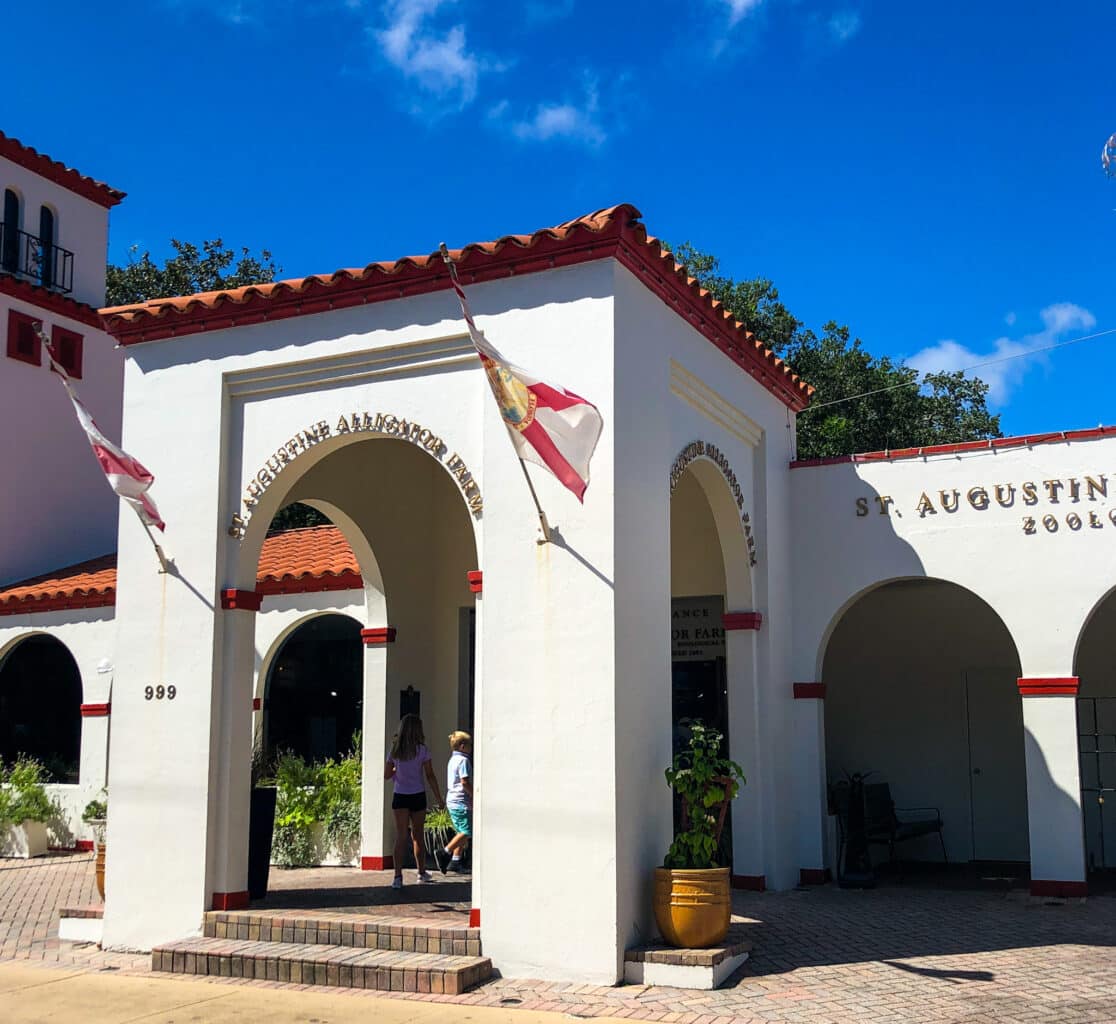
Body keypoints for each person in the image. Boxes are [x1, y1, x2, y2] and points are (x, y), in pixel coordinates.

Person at [384, 714, 443, 889]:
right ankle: (421, 871)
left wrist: (397, 771)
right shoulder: (422, 750)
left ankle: (397, 877)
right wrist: (439, 797)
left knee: (401, 836)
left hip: (400, 795)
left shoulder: (395, 750)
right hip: (418, 794)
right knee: (418, 835)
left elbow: (387, 775)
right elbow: (430, 775)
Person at [434, 731, 472, 875]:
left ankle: (455, 861)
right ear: (463, 746)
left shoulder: (452, 760)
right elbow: (464, 782)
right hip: (460, 801)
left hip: (453, 800)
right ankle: (444, 852)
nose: (471, 748)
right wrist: (473, 795)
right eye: (469, 745)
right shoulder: (464, 761)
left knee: (460, 832)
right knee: (466, 831)